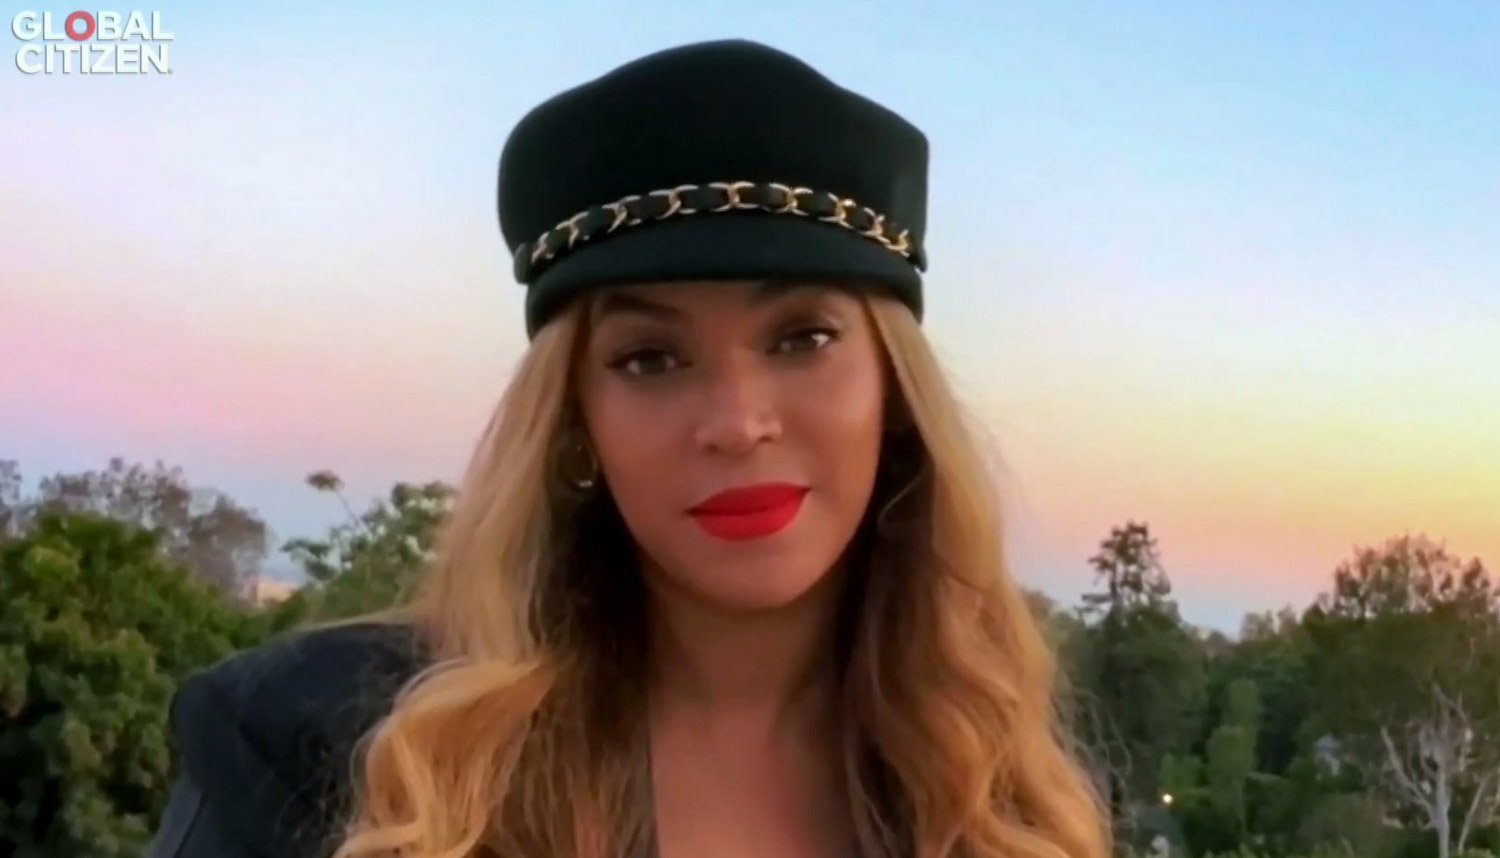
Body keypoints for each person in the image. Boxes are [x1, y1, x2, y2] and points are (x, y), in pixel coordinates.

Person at [148, 38, 1110, 858]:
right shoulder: (314, 748)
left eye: (803, 339)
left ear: (895, 394)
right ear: (575, 421)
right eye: (651, 358)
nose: (737, 423)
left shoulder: (1002, 792)